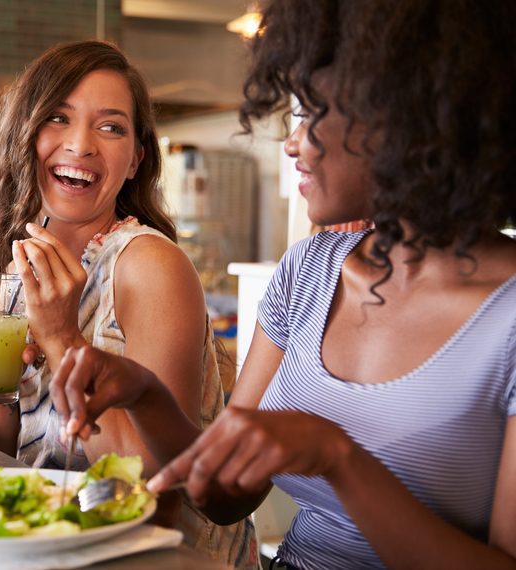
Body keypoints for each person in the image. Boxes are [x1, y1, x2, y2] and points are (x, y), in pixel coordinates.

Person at [50, 1, 516, 568]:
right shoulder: (309, 271)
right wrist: (145, 393)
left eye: (312, 112)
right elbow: (221, 498)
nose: (292, 144)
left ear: (408, 117)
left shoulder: (506, 315)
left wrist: (338, 457)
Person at [0, 41, 258, 567]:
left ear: (135, 160)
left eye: (110, 127)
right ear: (27, 135)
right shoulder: (19, 268)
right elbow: (10, 456)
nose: (81, 144)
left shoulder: (150, 266)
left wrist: (64, 340)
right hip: (59, 546)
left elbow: (150, 485)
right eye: (58, 118)